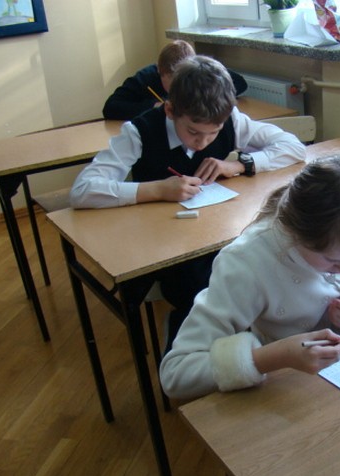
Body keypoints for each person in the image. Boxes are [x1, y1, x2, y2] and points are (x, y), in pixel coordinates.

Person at [71, 55, 305, 331]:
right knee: (200, 286)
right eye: (193, 132)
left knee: (258, 262)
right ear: (170, 110)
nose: (203, 142)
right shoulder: (139, 132)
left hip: (215, 230)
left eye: (213, 133)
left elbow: (293, 147)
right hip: (165, 244)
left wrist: (240, 164)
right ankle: (188, 334)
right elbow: (83, 190)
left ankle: (238, 335)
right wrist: (157, 189)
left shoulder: (232, 120)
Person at [159, 152, 340, 400]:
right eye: (332, 260)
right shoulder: (248, 261)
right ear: (296, 234)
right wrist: (275, 356)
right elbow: (176, 374)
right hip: (285, 388)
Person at [102, 40, 248, 121]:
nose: (179, 90)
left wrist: (205, 97)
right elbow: (111, 108)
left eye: (185, 83)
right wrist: (153, 106)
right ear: (160, 71)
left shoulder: (200, 72)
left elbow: (240, 83)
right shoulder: (145, 78)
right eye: (173, 85)